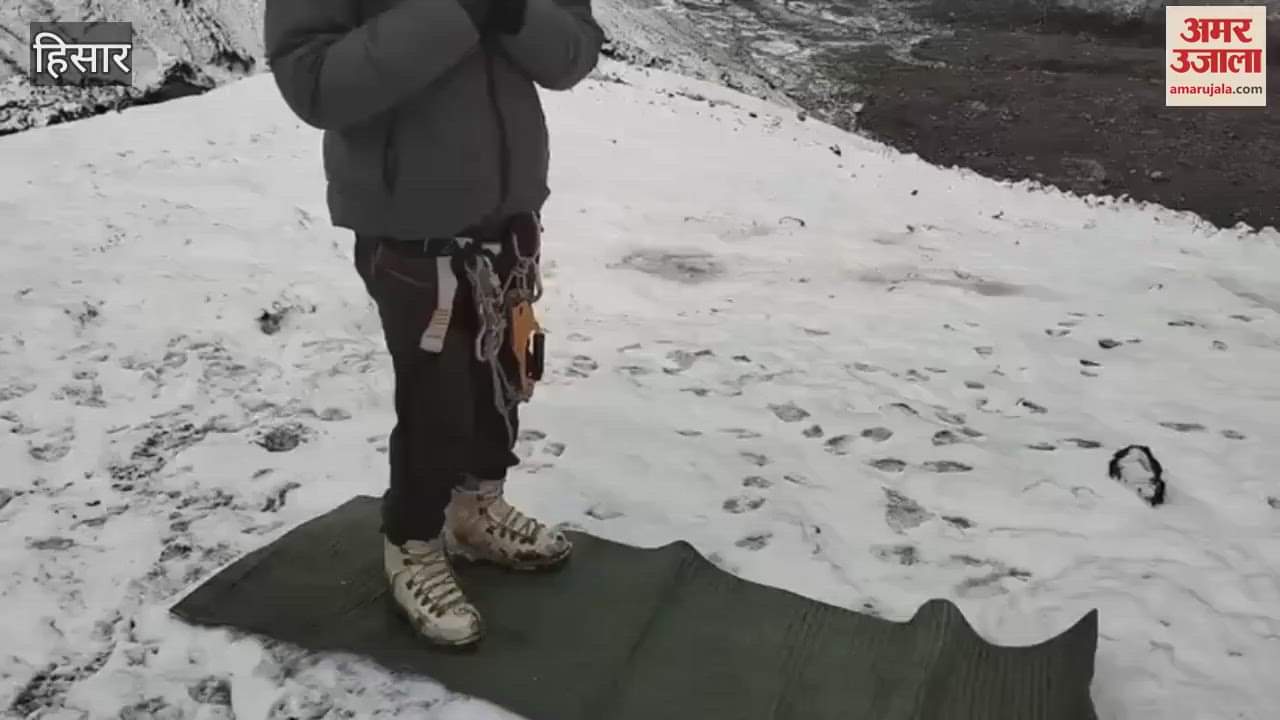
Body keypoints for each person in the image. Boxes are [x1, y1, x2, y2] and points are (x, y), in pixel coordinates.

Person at [263, 0, 603, 646]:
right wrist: (457, 11)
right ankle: (413, 540)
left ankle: (476, 509)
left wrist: (515, 12)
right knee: (438, 397)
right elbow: (314, 85)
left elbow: (574, 55)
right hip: (410, 227)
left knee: (503, 377)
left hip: (508, 215)